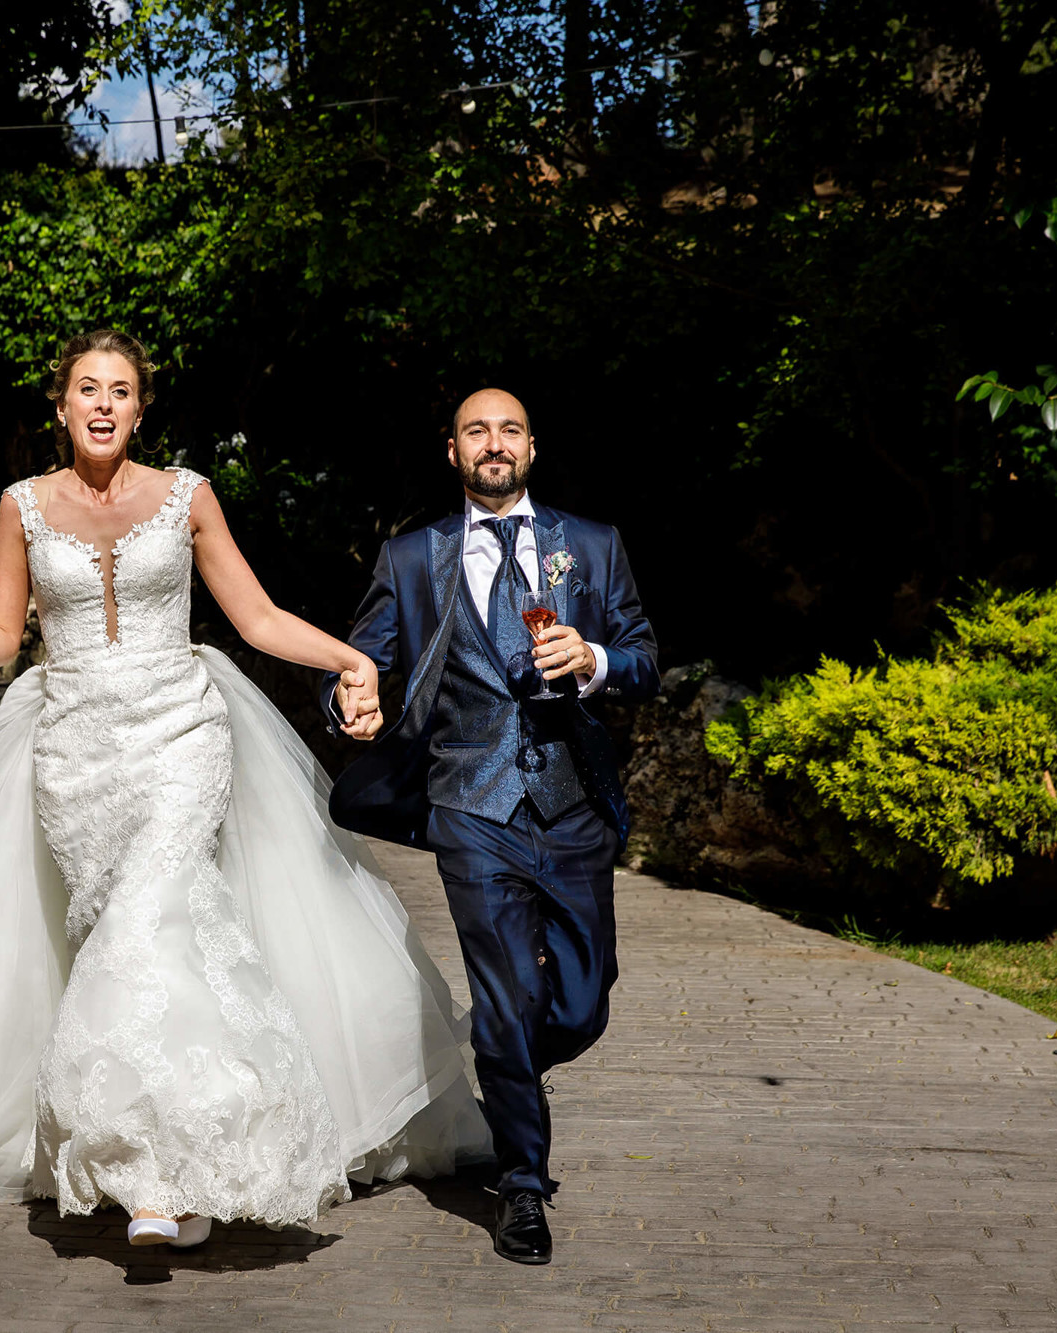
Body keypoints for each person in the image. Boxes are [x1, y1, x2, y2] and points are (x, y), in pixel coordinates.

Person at [0, 330, 488, 1248]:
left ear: (142, 407)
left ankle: (157, 1178)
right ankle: (165, 1154)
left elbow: (258, 616)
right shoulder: (22, 507)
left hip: (181, 736)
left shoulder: (188, 497)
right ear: (62, 404)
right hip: (75, 752)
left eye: (121, 390)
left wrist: (350, 655)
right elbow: (6, 630)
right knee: (109, 933)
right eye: (88, 388)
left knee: (154, 923)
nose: (105, 404)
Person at [321, 388, 659, 1265]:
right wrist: (347, 697)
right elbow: (365, 660)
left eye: (509, 430)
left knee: (582, 1005)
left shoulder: (592, 545)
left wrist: (595, 660)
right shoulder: (410, 557)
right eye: (478, 431)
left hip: (575, 805)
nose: (494, 443)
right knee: (508, 997)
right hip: (471, 804)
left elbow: (645, 656)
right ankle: (522, 1182)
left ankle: (505, 1056)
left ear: (533, 448)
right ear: (453, 450)